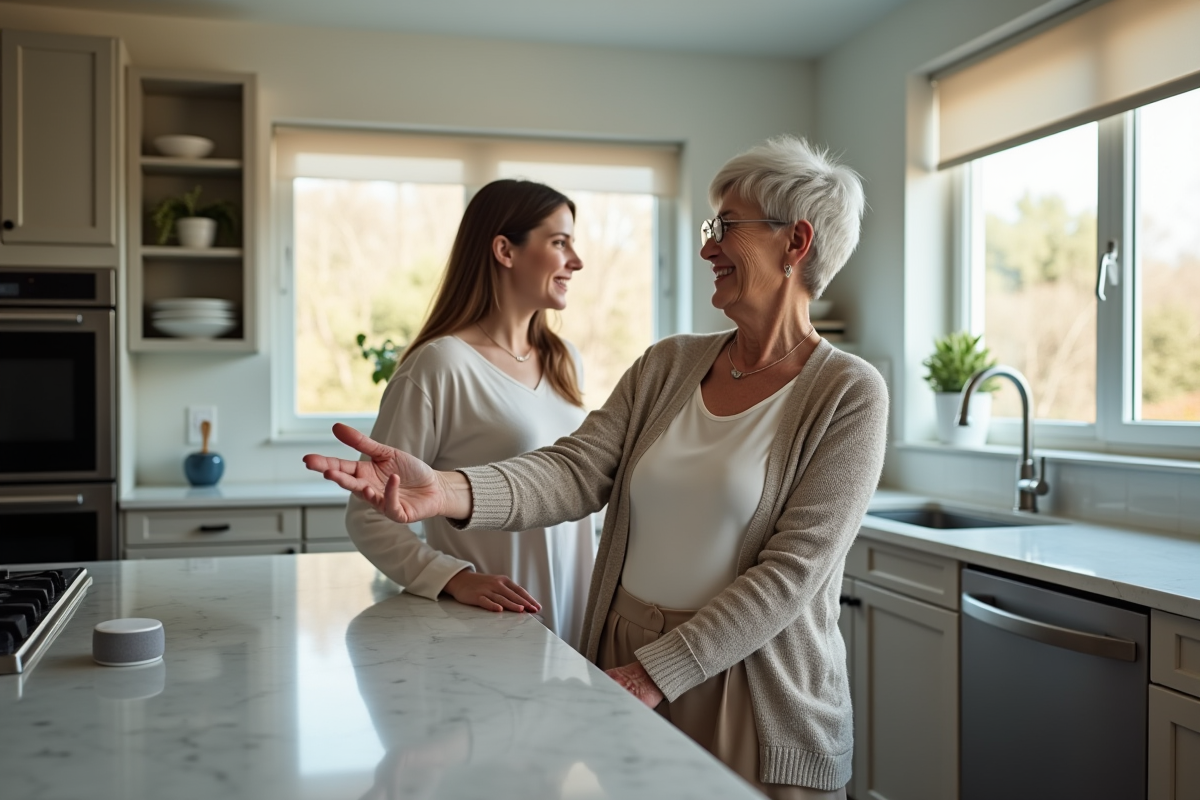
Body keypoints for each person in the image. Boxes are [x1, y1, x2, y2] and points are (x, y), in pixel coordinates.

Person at [307, 136, 887, 798]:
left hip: (750, 684)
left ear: (796, 242)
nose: (706, 248)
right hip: (625, 656)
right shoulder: (668, 364)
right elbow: (572, 471)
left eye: (724, 227)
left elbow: (790, 578)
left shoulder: (848, 392)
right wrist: (445, 490)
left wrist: (652, 674)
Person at [343, 179, 597, 648]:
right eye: (559, 242)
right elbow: (369, 517)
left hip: (575, 620)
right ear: (505, 249)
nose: (575, 261)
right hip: (490, 629)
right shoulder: (440, 365)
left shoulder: (565, 359)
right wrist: (453, 578)